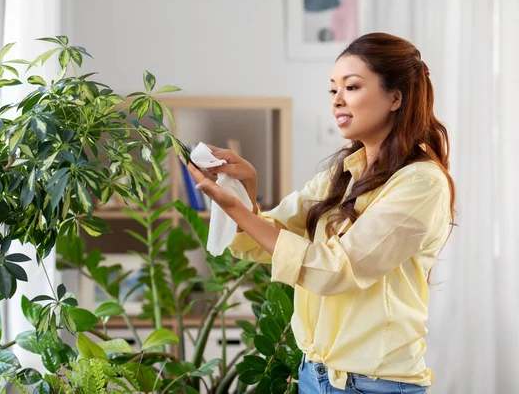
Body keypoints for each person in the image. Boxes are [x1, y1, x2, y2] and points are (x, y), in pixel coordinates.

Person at [181, 32, 455, 394]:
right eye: (332, 90)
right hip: (315, 375)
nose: (337, 101)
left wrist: (238, 208)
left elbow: (335, 270)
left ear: (395, 97)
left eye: (352, 87)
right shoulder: (341, 173)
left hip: (376, 384)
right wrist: (245, 189)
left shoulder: (421, 183)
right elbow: (266, 239)